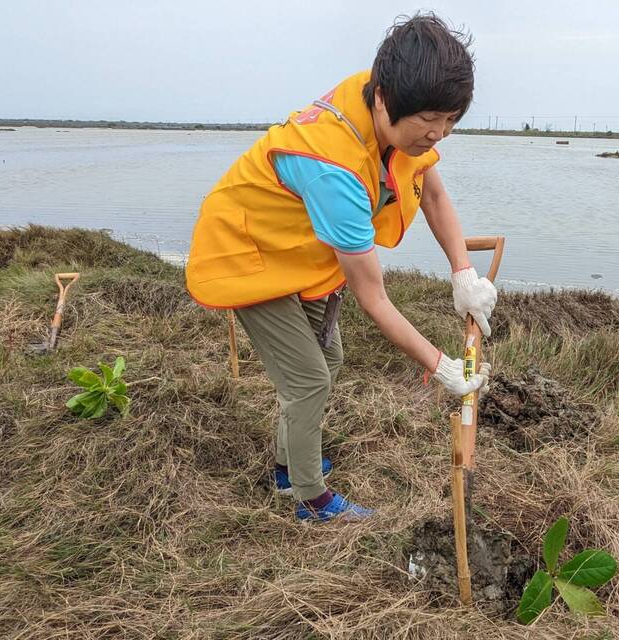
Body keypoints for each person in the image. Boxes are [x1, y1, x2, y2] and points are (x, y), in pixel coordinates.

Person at [186, 13, 497, 522]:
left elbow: (434, 191)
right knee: (308, 380)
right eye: (429, 119)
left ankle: (290, 463)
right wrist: (442, 367)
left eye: (451, 119)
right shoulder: (336, 170)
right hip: (246, 252)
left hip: (298, 249)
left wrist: (462, 272)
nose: (439, 133)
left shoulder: (385, 99)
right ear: (384, 100)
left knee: (325, 363)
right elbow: (374, 298)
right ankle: (309, 497)